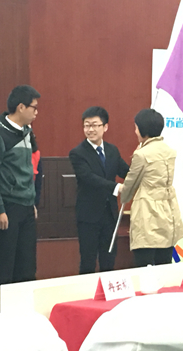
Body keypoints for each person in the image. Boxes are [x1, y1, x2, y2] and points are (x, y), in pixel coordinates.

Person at [0, 85, 40, 313]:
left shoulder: (27, 132)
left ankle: (23, 312)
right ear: (21, 107)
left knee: (27, 265)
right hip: (6, 207)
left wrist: (32, 202)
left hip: (26, 206)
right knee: (5, 264)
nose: (36, 112)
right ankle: (0, 312)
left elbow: (29, 171)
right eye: (34, 108)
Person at [119, 108, 183, 267]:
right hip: (168, 209)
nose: (135, 132)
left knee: (144, 263)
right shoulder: (169, 151)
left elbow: (129, 187)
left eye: (136, 128)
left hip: (148, 212)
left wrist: (123, 193)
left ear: (143, 129)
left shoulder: (141, 154)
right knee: (164, 261)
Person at [69, 106, 129, 274]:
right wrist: (116, 187)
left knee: (108, 259)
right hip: (88, 215)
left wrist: (140, 162)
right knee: (88, 261)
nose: (90, 130)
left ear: (105, 127)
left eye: (95, 125)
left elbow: (126, 172)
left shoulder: (112, 150)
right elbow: (89, 178)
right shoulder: (77, 153)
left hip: (109, 214)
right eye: (87, 125)